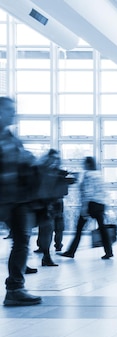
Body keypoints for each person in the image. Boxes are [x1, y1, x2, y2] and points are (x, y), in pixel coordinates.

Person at [0, 96, 42, 305]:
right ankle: (15, 289)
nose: (13, 114)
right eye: (10, 110)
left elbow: (24, 158)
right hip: (6, 198)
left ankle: (15, 289)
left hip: (16, 199)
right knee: (21, 241)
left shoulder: (10, 137)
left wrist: (37, 161)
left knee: (22, 241)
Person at [60, 156, 113, 259]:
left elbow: (87, 193)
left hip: (91, 204)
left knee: (79, 228)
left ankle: (71, 251)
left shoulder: (88, 175)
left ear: (88, 164)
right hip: (100, 204)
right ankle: (109, 251)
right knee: (102, 228)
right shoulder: (99, 175)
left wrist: (84, 208)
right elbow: (104, 192)